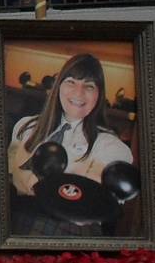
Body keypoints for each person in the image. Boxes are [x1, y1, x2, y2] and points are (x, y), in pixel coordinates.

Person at [7, 52, 133, 196]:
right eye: (71, 82)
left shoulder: (111, 147)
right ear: (58, 86)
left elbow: (101, 204)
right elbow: (8, 178)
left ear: (99, 95)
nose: (78, 93)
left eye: (89, 86)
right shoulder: (26, 126)